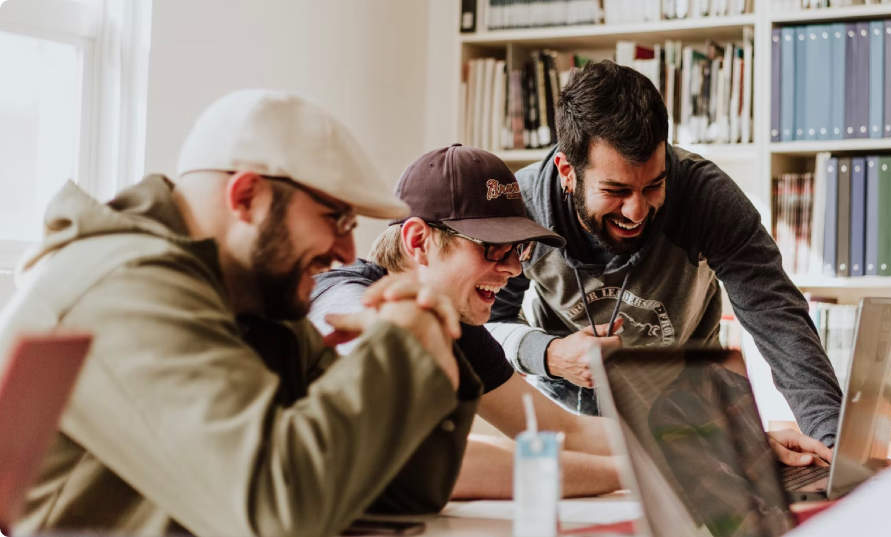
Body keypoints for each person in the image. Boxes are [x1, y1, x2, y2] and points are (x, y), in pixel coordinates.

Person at [0, 90, 477, 537]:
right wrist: (399, 351)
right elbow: (275, 513)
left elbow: (393, 495)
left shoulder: (253, 301)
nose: (348, 251)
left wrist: (431, 352)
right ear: (246, 196)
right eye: (336, 218)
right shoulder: (123, 287)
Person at [310, 145, 831, 501]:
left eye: (518, 251)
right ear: (419, 241)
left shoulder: (457, 324)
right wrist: (665, 472)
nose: (514, 269)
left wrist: (725, 444)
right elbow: (431, 460)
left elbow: (560, 429)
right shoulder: (347, 304)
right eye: (493, 249)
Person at [486, 60, 844, 447]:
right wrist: (550, 354)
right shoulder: (522, 209)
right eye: (616, 191)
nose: (636, 211)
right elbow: (485, 326)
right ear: (567, 171)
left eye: (654, 185)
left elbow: (778, 320)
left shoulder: (706, 197)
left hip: (690, 420)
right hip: (568, 426)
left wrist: (832, 444)